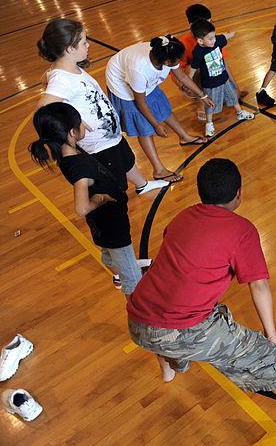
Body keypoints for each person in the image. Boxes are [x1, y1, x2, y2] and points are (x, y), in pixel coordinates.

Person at [126, 158, 276, 426]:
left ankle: (170, 364)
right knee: (266, 353)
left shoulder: (183, 216)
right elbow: (258, 285)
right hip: (177, 332)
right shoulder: (242, 230)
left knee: (189, 316)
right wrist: (272, 334)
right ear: (239, 193)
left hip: (137, 319)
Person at [36, 18, 167, 196]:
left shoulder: (64, 69)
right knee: (114, 181)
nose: (88, 45)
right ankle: (117, 201)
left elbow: (47, 77)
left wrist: (48, 77)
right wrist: (76, 120)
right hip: (99, 145)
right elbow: (42, 109)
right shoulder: (61, 79)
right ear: (69, 49)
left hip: (110, 137)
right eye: (83, 42)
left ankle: (142, 184)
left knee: (126, 159)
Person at [29, 102, 142, 296]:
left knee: (108, 252)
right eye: (81, 123)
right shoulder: (79, 168)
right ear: (72, 133)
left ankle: (115, 265)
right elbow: (81, 209)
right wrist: (99, 199)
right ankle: (140, 313)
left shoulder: (67, 154)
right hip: (112, 224)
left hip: (102, 223)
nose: (84, 125)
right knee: (133, 280)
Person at [105, 36, 212, 183]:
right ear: (167, 62)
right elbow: (140, 102)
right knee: (144, 127)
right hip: (122, 83)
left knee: (161, 106)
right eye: (177, 61)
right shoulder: (140, 70)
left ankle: (184, 137)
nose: (179, 63)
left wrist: (202, 95)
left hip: (139, 79)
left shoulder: (166, 49)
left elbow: (181, 75)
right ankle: (159, 170)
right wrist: (156, 125)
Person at [172, 3, 248, 121]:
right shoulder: (183, 44)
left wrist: (236, 88)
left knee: (216, 64)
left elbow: (224, 64)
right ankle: (201, 103)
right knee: (198, 66)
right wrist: (184, 86)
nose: (211, 25)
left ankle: (224, 93)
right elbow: (175, 72)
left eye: (211, 22)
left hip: (215, 78)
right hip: (194, 81)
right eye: (207, 23)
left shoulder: (212, 40)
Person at [189, 19, 255, 138]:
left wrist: (231, 33)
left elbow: (224, 36)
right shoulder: (198, 52)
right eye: (210, 38)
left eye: (214, 36)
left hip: (224, 79)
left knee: (233, 96)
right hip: (210, 84)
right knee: (210, 105)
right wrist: (188, 80)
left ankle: (239, 112)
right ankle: (209, 124)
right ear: (200, 40)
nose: (214, 40)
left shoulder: (217, 41)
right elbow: (193, 68)